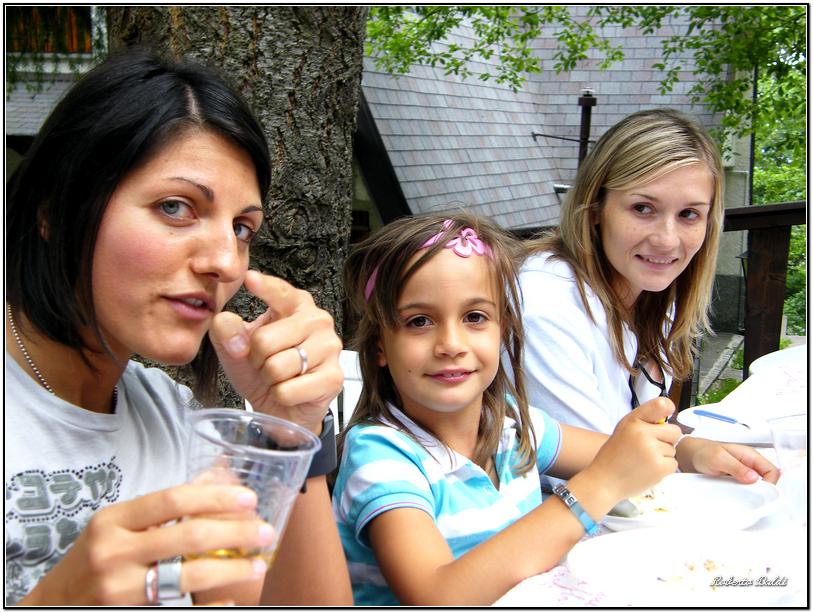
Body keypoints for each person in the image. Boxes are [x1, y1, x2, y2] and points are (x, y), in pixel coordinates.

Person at [5, 48, 351, 606]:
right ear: (54, 207)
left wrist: (291, 429)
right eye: (175, 207)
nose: (226, 263)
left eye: (242, 228)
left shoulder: (176, 421)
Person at [332, 214, 778, 605]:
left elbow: (615, 453)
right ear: (379, 346)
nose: (451, 344)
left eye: (475, 317)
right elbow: (437, 596)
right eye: (419, 321)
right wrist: (598, 486)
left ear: (503, 328)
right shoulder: (382, 457)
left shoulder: (510, 423)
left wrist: (693, 452)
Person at [517, 109, 727, 434]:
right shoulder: (546, 308)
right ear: (595, 208)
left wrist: (691, 451)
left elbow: (638, 440)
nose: (667, 240)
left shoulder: (650, 292)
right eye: (643, 208)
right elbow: (594, 457)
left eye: (688, 214)